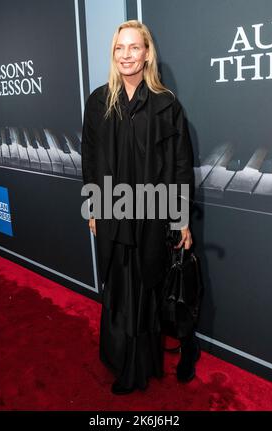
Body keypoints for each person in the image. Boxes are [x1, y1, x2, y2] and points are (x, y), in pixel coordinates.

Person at [81, 20, 199, 395]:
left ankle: (138, 366)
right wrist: (93, 209)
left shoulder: (166, 105)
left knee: (144, 288)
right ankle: (120, 358)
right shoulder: (99, 100)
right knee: (118, 286)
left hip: (151, 215)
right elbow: (90, 159)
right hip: (112, 213)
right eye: (120, 48)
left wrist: (180, 219)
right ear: (113, 54)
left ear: (147, 53)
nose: (126, 55)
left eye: (134, 48)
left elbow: (180, 165)